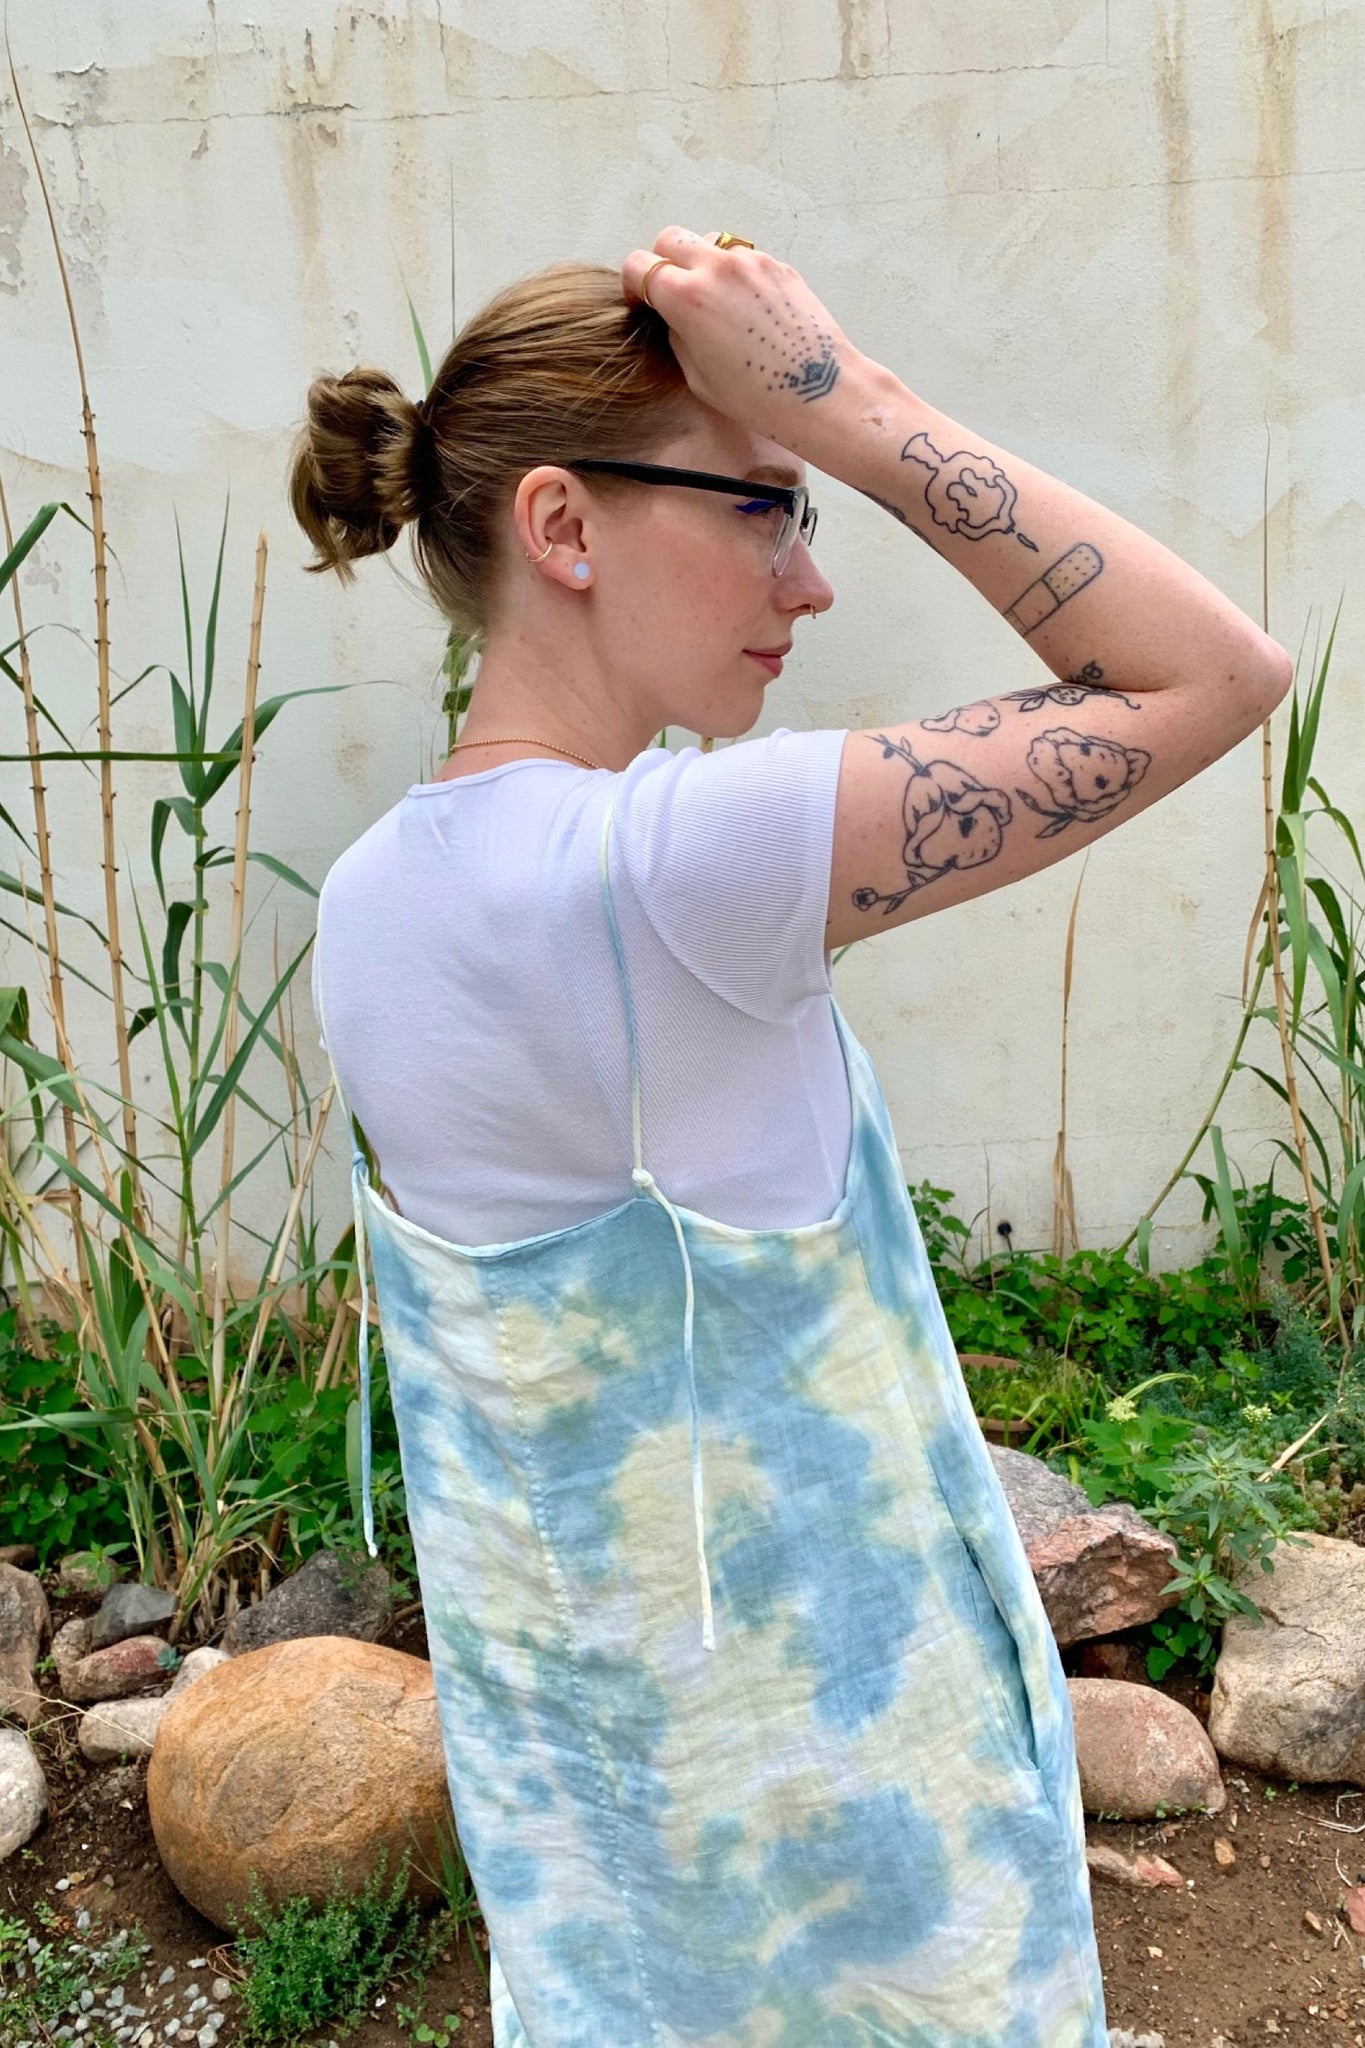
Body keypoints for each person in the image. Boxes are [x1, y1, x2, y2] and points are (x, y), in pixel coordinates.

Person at [297, 225, 1291, 2048]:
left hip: (599, 1841)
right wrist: (845, 399)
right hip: (860, 1846)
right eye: (763, 505)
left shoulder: (364, 906)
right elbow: (1212, 673)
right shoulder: (689, 853)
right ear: (563, 527)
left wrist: (783, 441)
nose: (808, 579)